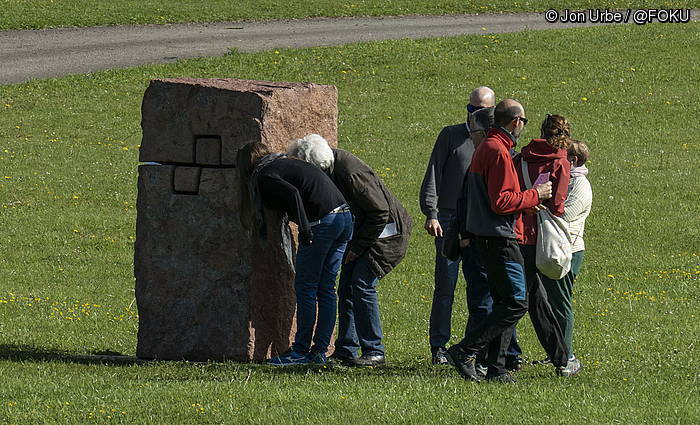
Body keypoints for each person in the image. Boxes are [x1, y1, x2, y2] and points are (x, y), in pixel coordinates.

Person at [445, 99, 558, 383]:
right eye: (524, 121)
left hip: (487, 236)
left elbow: (490, 198)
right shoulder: (498, 151)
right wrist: (537, 194)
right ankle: (464, 351)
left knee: (503, 301)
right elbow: (501, 201)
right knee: (516, 303)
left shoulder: (488, 147)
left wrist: (522, 205)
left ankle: (497, 368)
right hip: (499, 238)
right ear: (515, 121)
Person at [288, 134, 412, 367]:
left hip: (387, 235)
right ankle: (346, 348)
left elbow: (380, 212)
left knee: (361, 285)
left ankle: (374, 350)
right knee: (345, 287)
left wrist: (356, 247)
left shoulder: (348, 171)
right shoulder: (331, 164)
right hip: (365, 233)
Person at [420, 86, 522, 367]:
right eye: (472, 108)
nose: (475, 115)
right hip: (450, 218)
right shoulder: (451, 135)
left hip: (478, 223)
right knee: (446, 285)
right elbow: (433, 174)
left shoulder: (494, 146)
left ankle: (478, 348)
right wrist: (432, 212)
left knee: (484, 289)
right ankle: (439, 346)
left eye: (483, 110)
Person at [236, 142, 353, 366]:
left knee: (306, 287)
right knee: (326, 288)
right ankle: (318, 352)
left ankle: (299, 351)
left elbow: (292, 193)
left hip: (323, 222)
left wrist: (305, 228)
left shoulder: (264, 175)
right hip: (345, 218)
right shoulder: (285, 163)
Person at [514, 114, 580, 376]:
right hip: (546, 239)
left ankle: (510, 355)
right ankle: (563, 358)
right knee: (548, 301)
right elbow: (559, 204)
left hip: (520, 232)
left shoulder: (522, 156)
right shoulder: (561, 162)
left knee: (524, 298)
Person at [539, 139, 592, 364]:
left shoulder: (581, 185)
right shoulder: (565, 179)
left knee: (560, 303)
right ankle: (556, 353)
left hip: (568, 251)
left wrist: (539, 206)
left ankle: (566, 354)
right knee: (551, 303)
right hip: (555, 246)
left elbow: (566, 215)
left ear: (573, 160)